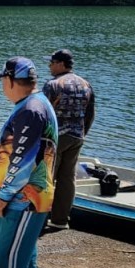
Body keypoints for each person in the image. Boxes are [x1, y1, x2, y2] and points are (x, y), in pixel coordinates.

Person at [0, 57, 58, 268]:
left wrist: (2, 196)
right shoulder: (34, 104)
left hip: (22, 199)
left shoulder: (31, 109)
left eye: (3, 81)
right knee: (25, 256)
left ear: (12, 80)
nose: (2, 87)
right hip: (28, 197)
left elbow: (23, 160)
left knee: (10, 257)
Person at [42, 49, 95, 230]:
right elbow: (90, 113)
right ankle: (60, 220)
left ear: (61, 64)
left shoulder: (53, 85)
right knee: (67, 178)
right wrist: (83, 133)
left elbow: (43, 113)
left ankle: (39, 219)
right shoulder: (86, 84)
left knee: (47, 177)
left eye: (52, 62)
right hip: (77, 136)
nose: (49, 65)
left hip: (56, 137)